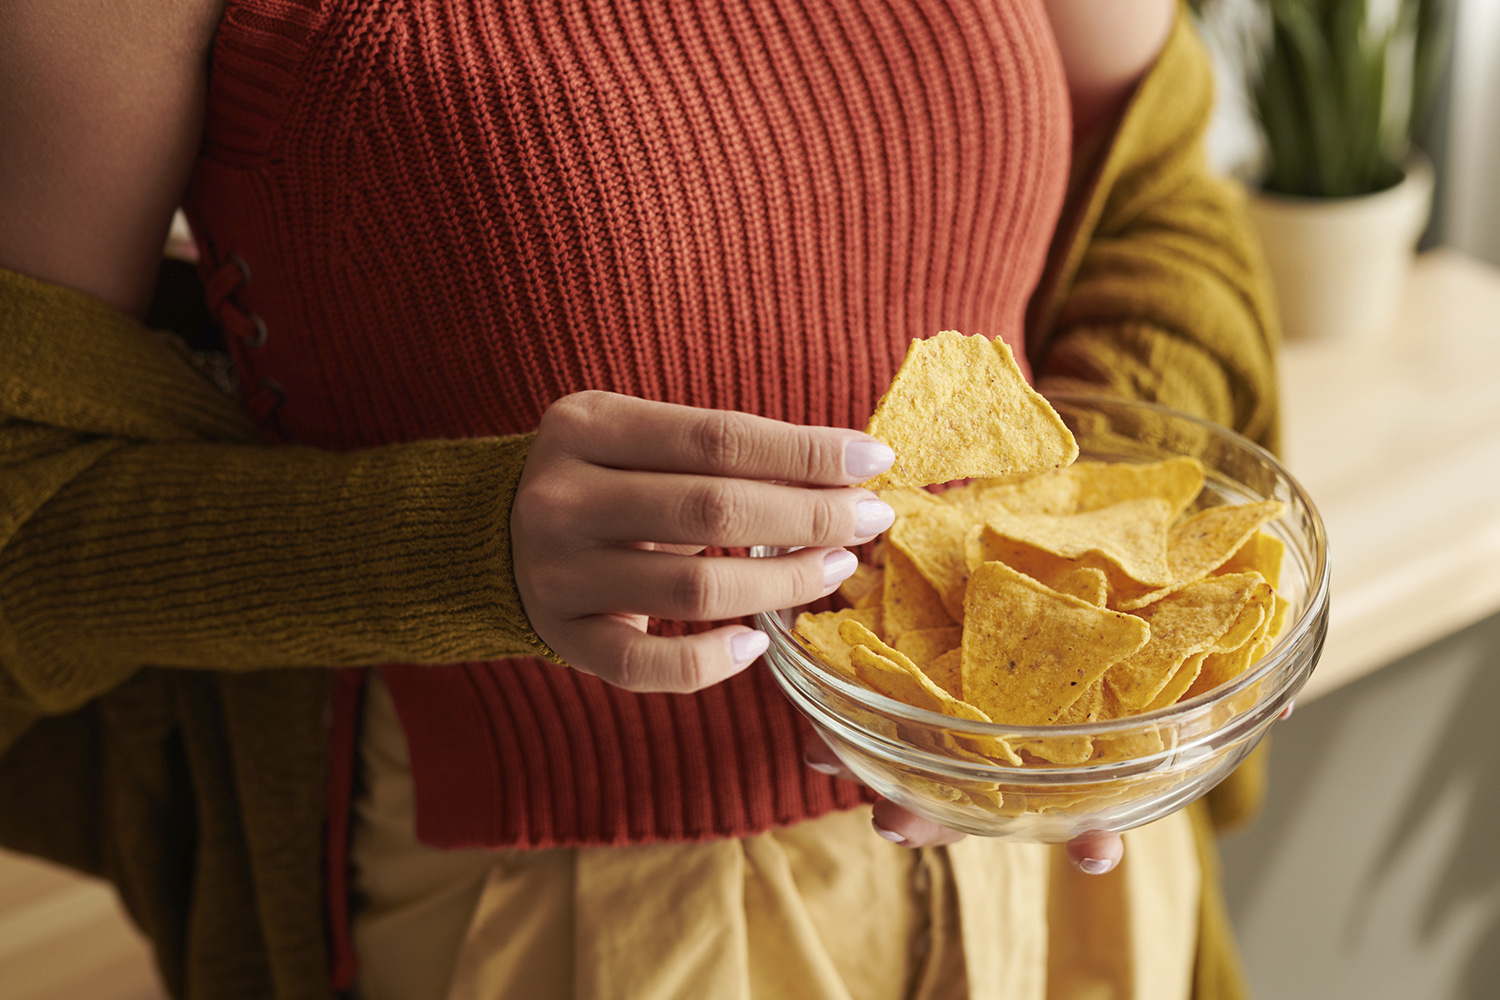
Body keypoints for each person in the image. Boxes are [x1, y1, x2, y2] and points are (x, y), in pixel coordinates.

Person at [0, 0, 1280, 997]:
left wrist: (1071, 575)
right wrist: (462, 546)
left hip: (1058, 872)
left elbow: (1156, 191)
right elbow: (23, 492)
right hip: (575, 927)